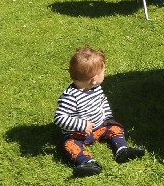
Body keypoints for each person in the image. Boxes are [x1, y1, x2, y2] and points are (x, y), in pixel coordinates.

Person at [55, 46, 146, 177]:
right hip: (78, 134)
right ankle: (87, 163)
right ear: (94, 79)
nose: (105, 74)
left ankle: (122, 150)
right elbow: (59, 118)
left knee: (115, 128)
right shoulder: (70, 97)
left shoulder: (96, 87)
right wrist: (82, 125)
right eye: (103, 72)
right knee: (69, 144)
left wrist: (108, 117)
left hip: (100, 127)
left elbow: (103, 102)